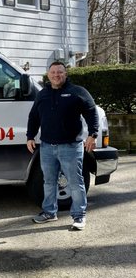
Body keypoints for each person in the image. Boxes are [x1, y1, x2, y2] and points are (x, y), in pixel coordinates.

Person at [26, 61, 99, 230]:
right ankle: (49, 212)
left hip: (71, 147)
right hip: (47, 147)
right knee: (49, 182)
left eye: (60, 72)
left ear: (65, 74)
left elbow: (91, 111)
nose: (56, 75)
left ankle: (79, 216)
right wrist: (30, 136)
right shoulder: (42, 94)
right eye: (53, 72)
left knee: (75, 183)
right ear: (48, 74)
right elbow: (34, 116)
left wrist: (93, 134)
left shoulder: (77, 92)